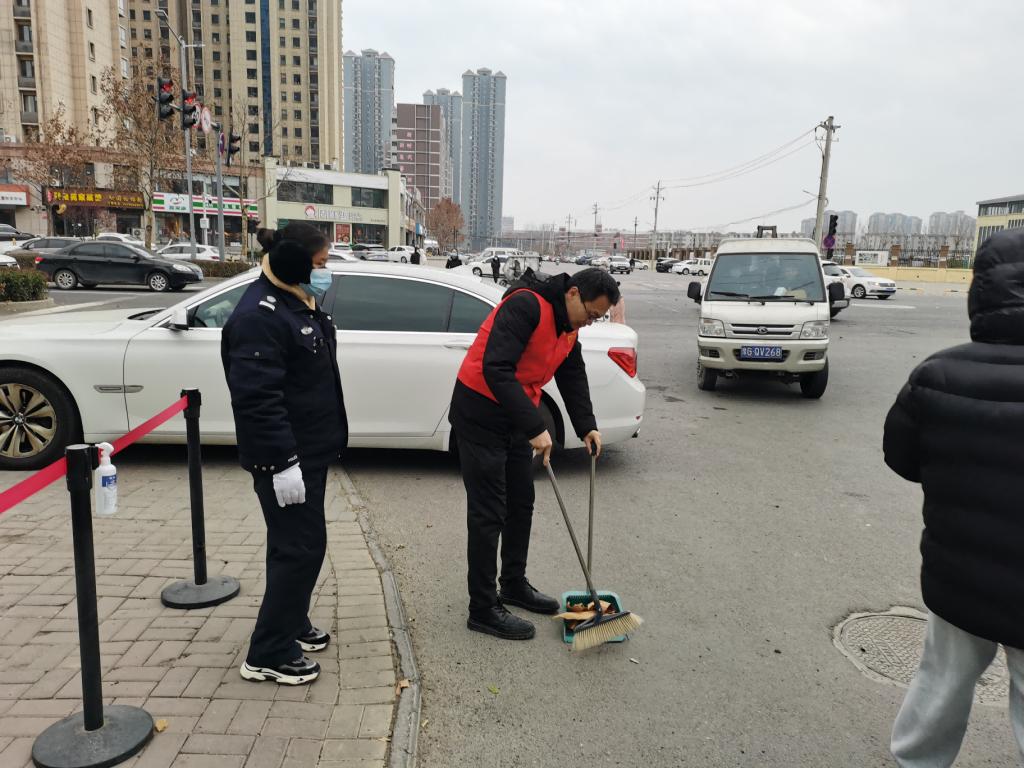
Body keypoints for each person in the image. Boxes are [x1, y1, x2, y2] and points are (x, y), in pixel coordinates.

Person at [883, 228, 1024, 766]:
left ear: (979, 291)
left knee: (940, 682)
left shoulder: (937, 373)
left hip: (960, 576)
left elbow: (901, 458)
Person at [449, 267, 621, 640]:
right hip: (480, 412)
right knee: (489, 512)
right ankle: (482, 608)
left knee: (521, 502)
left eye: (597, 318)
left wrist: (586, 425)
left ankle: (513, 583)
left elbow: (572, 373)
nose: (590, 323)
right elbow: (496, 368)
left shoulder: (569, 326)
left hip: (514, 413)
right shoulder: (526, 306)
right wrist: (534, 427)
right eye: (591, 314)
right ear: (573, 294)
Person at [221, 222, 348, 686]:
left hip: (308, 452)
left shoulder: (295, 301)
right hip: (287, 459)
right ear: (295, 264)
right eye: (321, 264)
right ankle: (269, 652)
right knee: (299, 549)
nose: (326, 272)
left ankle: (291, 621)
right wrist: (281, 464)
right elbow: (257, 399)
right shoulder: (260, 316)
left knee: (298, 545)